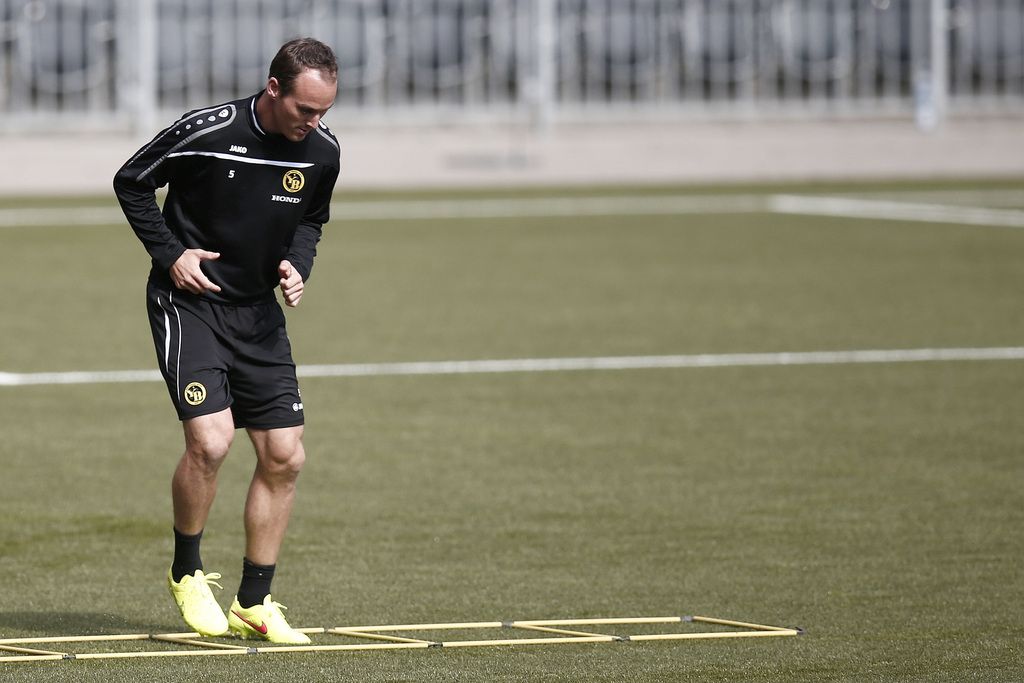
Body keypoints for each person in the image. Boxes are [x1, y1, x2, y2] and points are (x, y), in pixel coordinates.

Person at [113, 38, 340, 644]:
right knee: (211, 443)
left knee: (285, 455)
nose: (314, 124)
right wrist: (169, 255)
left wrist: (297, 263)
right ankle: (187, 570)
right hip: (188, 305)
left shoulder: (322, 152)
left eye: (324, 112)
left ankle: (255, 603)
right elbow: (131, 181)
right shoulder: (206, 131)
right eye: (305, 111)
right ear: (273, 90)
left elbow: (312, 220)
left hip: (258, 315)